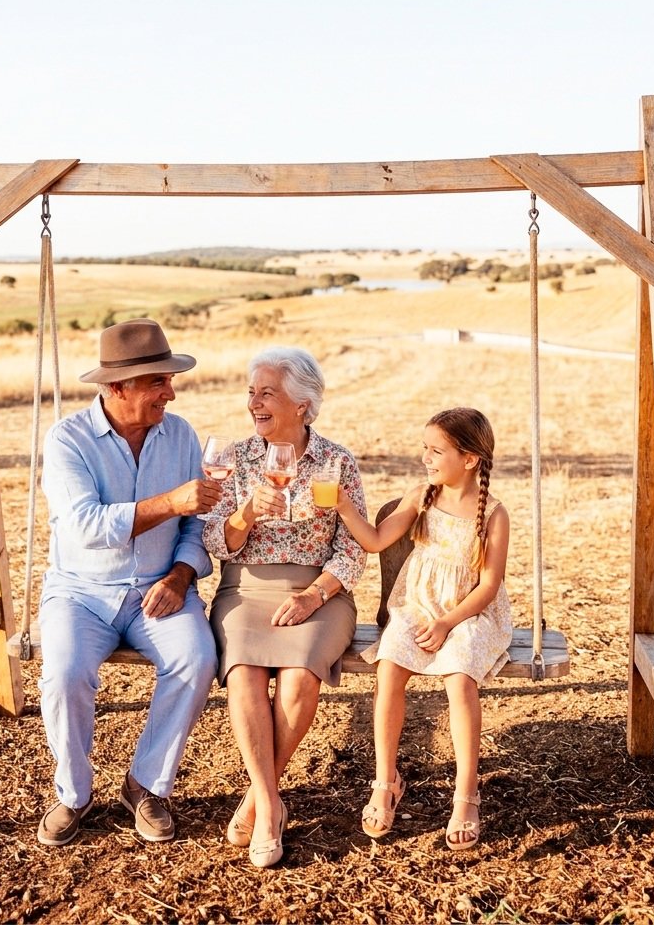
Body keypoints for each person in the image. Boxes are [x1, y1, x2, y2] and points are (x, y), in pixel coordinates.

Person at [36, 319, 221, 848]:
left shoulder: (180, 433)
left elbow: (196, 525)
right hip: (80, 593)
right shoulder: (68, 440)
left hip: (158, 589)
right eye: (158, 381)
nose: (171, 390)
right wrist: (171, 501)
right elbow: (86, 528)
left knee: (197, 658)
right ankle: (73, 794)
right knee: (65, 673)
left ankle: (145, 785)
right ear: (118, 388)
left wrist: (182, 576)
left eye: (168, 379)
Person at [202, 346, 367, 868]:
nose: (255, 402)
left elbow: (354, 547)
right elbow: (215, 540)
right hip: (244, 589)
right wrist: (247, 512)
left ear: (303, 404)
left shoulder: (338, 462)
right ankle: (272, 803)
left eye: (267, 392)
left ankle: (257, 798)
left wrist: (314, 594)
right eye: (252, 392)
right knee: (245, 670)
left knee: (299, 676)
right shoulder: (237, 457)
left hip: (321, 593)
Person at [334, 407, 512, 850]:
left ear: (469, 459)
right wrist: (342, 506)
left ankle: (466, 794)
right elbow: (375, 540)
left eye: (436, 451)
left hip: (470, 613)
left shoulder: (493, 513)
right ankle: (384, 780)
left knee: (459, 677)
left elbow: (489, 585)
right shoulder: (422, 495)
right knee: (390, 666)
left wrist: (450, 621)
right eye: (424, 449)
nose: (425, 458)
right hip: (418, 606)